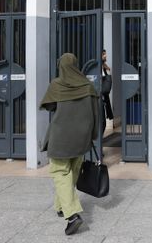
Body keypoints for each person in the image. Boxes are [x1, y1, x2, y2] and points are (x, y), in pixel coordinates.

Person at [40, 53, 99, 236]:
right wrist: (93, 135)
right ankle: (61, 207)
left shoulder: (57, 84)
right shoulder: (88, 85)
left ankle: (72, 215)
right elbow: (96, 112)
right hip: (81, 138)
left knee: (60, 172)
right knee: (72, 171)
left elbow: (48, 106)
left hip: (61, 137)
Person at [101, 49, 114, 131]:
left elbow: (107, 84)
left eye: (105, 54)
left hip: (104, 95)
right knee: (102, 122)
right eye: (103, 54)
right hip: (99, 96)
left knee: (103, 122)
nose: (105, 56)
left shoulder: (105, 67)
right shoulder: (98, 67)